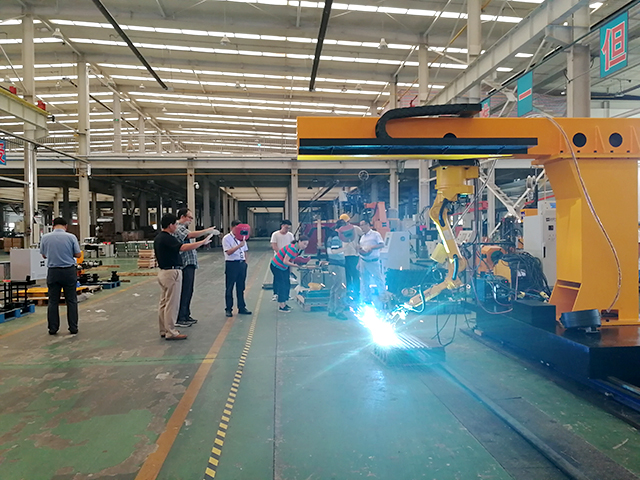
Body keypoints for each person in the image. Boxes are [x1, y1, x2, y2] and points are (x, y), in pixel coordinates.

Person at [154, 213, 213, 340]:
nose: (176, 227)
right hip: (171, 273)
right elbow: (183, 247)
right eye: (175, 224)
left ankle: (164, 329)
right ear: (170, 225)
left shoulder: (159, 237)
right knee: (172, 304)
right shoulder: (167, 238)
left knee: (164, 303)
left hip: (164, 272)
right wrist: (202, 242)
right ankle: (171, 332)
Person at [172, 207, 219, 328]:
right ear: (182, 217)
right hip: (185, 264)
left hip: (190, 263)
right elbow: (189, 236)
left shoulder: (184, 228)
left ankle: (186, 314)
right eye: (189, 217)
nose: (191, 220)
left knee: (189, 290)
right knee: (185, 290)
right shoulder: (178, 228)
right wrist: (206, 231)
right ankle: (181, 317)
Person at [40, 217, 82, 335]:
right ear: (66, 226)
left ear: (53, 225)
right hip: (68, 271)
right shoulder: (71, 237)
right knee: (71, 300)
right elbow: (78, 254)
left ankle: (53, 328)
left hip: (53, 272)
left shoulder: (45, 237)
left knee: (53, 301)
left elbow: (44, 255)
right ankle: (73, 327)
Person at [271, 235, 310, 313]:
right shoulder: (292, 249)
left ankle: (284, 303)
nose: (305, 246)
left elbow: (291, 260)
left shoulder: (297, 249)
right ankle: (281, 305)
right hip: (277, 266)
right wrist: (296, 266)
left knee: (287, 284)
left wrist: (290, 271)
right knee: (282, 285)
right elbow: (285, 261)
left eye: (306, 245)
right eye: (304, 244)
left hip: (284, 267)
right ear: (299, 242)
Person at [222, 220, 252, 318]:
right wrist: (239, 246)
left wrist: (245, 262)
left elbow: (245, 251)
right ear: (232, 228)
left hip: (241, 264)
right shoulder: (227, 238)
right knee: (229, 287)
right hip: (231, 264)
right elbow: (228, 252)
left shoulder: (242, 237)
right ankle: (228, 309)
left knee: (241, 287)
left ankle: (242, 307)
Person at [358, 219, 386, 304]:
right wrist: (359, 262)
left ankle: (383, 297)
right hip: (363, 261)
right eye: (360, 225)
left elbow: (382, 244)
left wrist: (372, 248)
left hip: (373, 261)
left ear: (367, 225)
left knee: (378, 279)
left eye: (362, 225)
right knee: (364, 281)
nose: (361, 227)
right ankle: (366, 298)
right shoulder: (362, 237)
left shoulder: (375, 234)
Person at [338, 214, 363, 303]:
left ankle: (357, 294)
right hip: (344, 255)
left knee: (355, 275)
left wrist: (360, 245)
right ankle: (349, 293)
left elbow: (363, 236)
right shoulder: (340, 230)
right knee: (347, 276)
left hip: (353, 255)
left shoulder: (356, 229)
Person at [326, 221, 348, 320]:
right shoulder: (336, 238)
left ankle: (331, 309)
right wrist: (345, 248)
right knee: (340, 288)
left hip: (334, 265)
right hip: (337, 266)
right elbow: (334, 251)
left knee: (335, 288)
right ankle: (339, 311)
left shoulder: (332, 237)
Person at [270, 219, 294, 301]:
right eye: (286, 228)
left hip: (287, 260)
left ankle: (287, 294)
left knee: (286, 277)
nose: (287, 230)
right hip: (278, 260)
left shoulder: (290, 235)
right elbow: (274, 246)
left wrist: (288, 256)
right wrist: (282, 255)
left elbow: (292, 246)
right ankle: (276, 293)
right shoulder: (275, 234)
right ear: (282, 226)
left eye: (289, 228)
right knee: (277, 278)